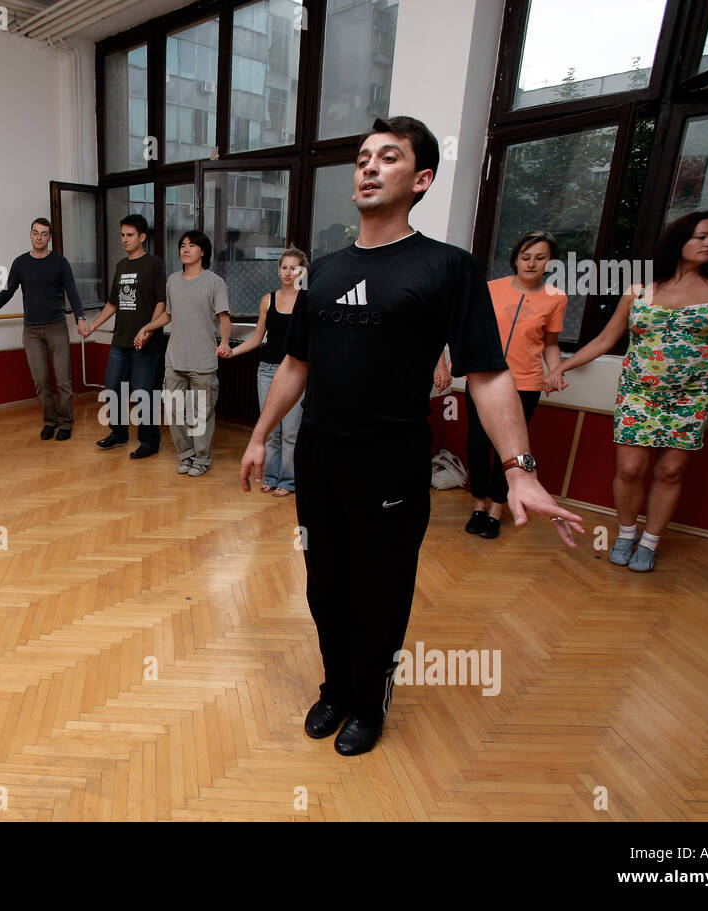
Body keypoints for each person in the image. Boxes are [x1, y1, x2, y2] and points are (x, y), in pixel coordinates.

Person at [239, 116, 583, 757]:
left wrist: (519, 467)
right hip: (319, 457)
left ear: (420, 179)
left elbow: (486, 374)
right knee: (324, 582)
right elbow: (295, 364)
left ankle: (370, 700)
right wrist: (261, 435)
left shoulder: (448, 268)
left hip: (392, 461)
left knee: (382, 589)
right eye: (363, 157)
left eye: (388, 157)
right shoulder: (325, 271)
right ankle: (337, 685)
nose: (368, 166)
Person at [544, 210, 708, 572]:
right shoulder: (639, 289)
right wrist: (562, 366)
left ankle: (650, 542)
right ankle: (626, 533)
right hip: (639, 393)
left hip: (691, 397)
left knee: (670, 472)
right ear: (679, 240)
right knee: (628, 469)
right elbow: (607, 338)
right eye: (702, 236)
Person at [439, 230, 568, 539]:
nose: (531, 264)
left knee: (508, 450)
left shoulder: (555, 298)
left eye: (540, 258)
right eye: (525, 257)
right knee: (478, 445)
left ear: (550, 262)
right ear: (515, 258)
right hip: (483, 378)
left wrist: (557, 370)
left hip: (526, 383)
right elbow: (453, 328)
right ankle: (479, 504)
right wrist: (444, 363)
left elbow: (550, 343)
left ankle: (498, 508)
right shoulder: (488, 289)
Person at [0, 218, 89, 441]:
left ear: (49, 237)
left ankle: (66, 423)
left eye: (44, 233)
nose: (39, 237)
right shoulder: (20, 263)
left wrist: (81, 317)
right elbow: (7, 291)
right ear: (30, 235)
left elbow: (73, 292)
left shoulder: (60, 263)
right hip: (32, 331)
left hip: (56, 327)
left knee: (63, 379)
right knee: (40, 380)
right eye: (36, 233)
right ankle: (50, 421)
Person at [136, 230, 230, 475]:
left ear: (203, 251)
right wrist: (147, 327)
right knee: (174, 411)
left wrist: (226, 342)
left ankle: (202, 458)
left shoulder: (214, 282)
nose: (185, 249)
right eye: (182, 245)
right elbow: (168, 315)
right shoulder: (173, 281)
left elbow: (223, 317)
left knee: (202, 414)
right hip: (175, 359)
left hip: (203, 361)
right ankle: (186, 454)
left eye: (192, 245)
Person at [223, 246, 308, 496]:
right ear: (278, 269)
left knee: (291, 432)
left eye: (294, 268)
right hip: (267, 370)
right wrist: (231, 352)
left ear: (303, 271)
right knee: (270, 429)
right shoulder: (268, 299)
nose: (288, 272)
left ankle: (288, 481)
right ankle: (270, 476)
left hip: (295, 373)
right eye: (284, 267)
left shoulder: (308, 300)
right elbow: (257, 338)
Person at [82, 214, 165, 459]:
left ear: (142, 237)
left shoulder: (154, 264)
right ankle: (118, 433)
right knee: (112, 387)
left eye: (129, 235)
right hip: (120, 341)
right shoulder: (121, 266)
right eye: (122, 235)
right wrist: (92, 325)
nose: (124, 239)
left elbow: (161, 301)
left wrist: (149, 330)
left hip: (145, 344)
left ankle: (149, 442)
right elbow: (112, 304)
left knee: (142, 393)